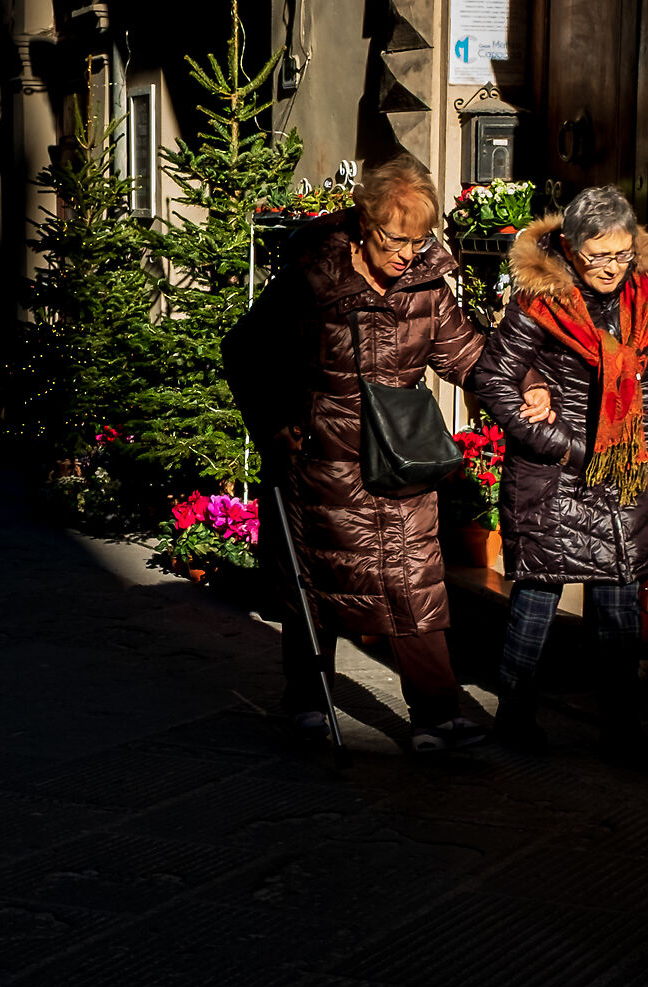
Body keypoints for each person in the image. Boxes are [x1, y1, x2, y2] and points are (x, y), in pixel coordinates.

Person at [228, 154, 542, 754]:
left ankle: (436, 716)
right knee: (313, 586)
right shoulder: (310, 275)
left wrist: (522, 381)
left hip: (397, 458)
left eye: (419, 241)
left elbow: (469, 356)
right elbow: (247, 350)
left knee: (415, 584)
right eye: (396, 240)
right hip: (320, 459)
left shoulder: (426, 285)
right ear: (365, 223)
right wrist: (271, 422)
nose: (406, 254)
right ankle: (308, 703)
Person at [467, 185, 648, 761]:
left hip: (620, 471)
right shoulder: (541, 302)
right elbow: (493, 381)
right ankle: (516, 714)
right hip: (554, 475)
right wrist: (560, 444)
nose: (611, 268)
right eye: (598, 255)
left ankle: (622, 729)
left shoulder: (644, 300)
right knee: (537, 599)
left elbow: (646, 391)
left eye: (621, 254)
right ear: (571, 248)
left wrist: (647, 468)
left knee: (619, 603)